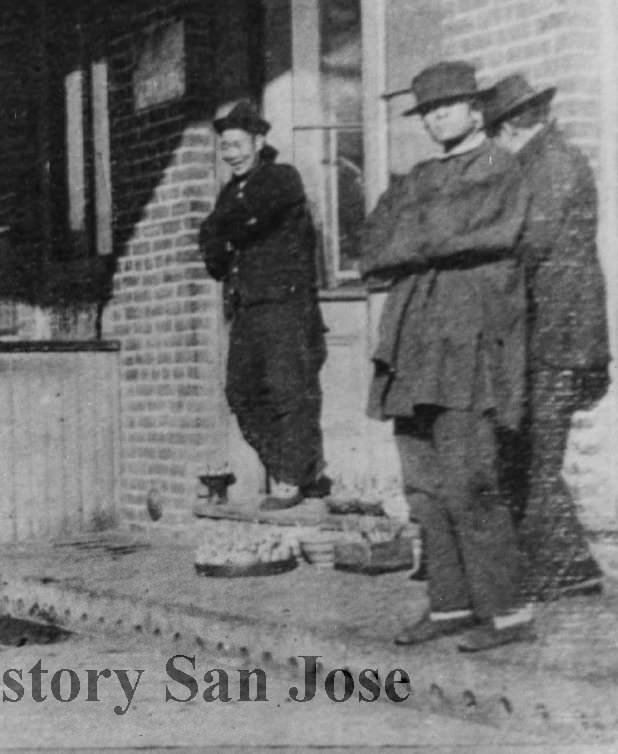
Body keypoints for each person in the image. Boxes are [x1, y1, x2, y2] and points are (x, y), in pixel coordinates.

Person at [361, 61, 534, 651]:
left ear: (475, 109)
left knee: (471, 482)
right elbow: (374, 245)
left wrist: (420, 237)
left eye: (447, 106)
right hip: (412, 346)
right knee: (424, 487)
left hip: (467, 344)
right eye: (428, 110)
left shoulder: (500, 166)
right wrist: (427, 237)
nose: (437, 117)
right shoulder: (417, 177)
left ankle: (507, 613)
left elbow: (479, 233)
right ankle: (450, 606)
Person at [485, 74, 611, 601]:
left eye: (496, 130)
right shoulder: (542, 161)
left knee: (538, 456)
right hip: (551, 334)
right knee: (530, 452)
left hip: (560, 338)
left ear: (514, 124)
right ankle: (570, 566)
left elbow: (530, 243)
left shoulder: (552, 163)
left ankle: (559, 572)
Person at [199, 101, 330, 511]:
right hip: (246, 308)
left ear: (259, 142)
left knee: (288, 391)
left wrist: (222, 229)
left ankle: (292, 480)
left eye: (238, 144)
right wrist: (221, 232)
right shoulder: (229, 192)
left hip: (283, 305)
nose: (231, 154)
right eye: (225, 147)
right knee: (241, 392)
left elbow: (241, 222)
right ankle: (300, 471)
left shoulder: (280, 179)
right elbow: (213, 252)